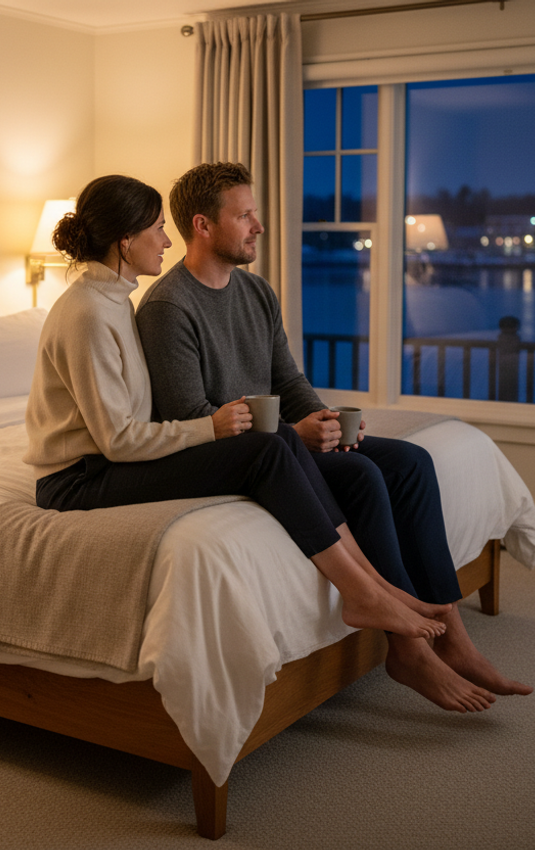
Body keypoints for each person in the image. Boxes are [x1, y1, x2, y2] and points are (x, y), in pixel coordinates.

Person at [136, 162, 531, 711]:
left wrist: (321, 422)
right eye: (245, 215)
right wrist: (294, 435)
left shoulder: (255, 292)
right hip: (240, 455)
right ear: (202, 226)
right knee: (363, 475)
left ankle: (450, 627)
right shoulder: (166, 308)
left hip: (281, 441)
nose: (259, 226)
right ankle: (407, 650)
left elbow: (287, 379)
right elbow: (193, 417)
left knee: (412, 462)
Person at [23, 174, 461, 656]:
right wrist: (210, 426)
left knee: (348, 453)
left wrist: (319, 419)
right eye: (156, 228)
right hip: (79, 479)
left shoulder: (114, 301)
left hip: (114, 461)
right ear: (125, 241)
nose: (167, 239)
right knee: (272, 448)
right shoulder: (90, 313)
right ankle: (366, 593)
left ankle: (376, 590)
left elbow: (283, 379)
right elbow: (116, 440)